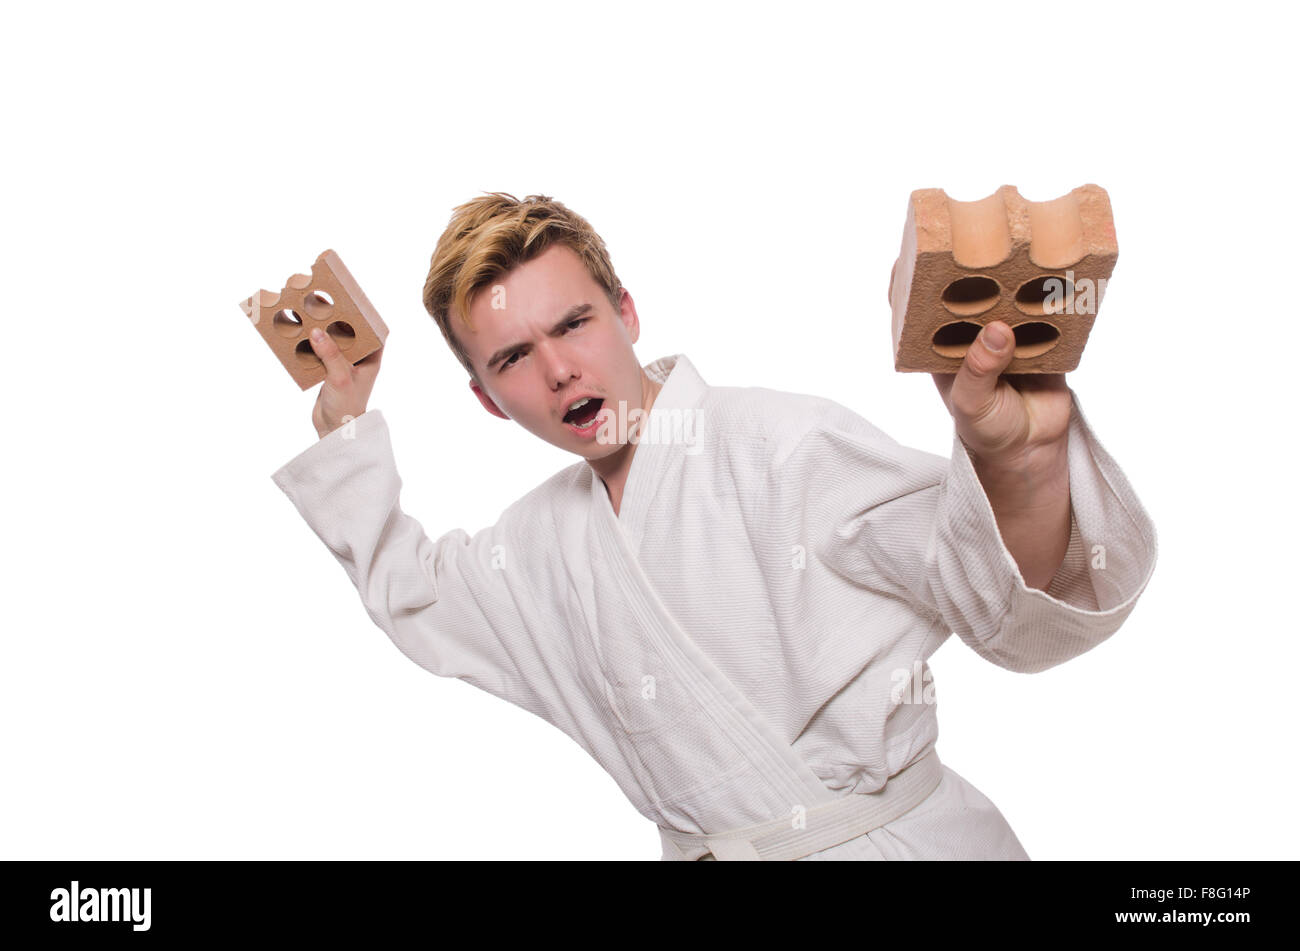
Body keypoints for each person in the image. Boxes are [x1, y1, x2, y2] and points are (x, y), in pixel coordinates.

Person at [271, 192, 1158, 860]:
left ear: (625, 311)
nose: (559, 370)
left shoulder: (776, 443)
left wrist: (1024, 464)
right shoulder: (537, 549)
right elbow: (416, 595)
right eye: (512, 357)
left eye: (573, 322)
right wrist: (344, 425)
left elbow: (1000, 603)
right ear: (487, 399)